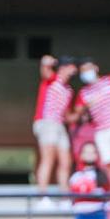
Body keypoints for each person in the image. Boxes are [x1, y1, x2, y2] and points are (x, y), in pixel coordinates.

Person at [33, 55, 77, 189]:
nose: (75, 69)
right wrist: (47, 62)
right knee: (48, 158)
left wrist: (84, 109)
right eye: (72, 66)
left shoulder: (69, 90)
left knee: (66, 162)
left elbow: (68, 116)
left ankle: (65, 197)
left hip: (59, 125)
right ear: (63, 68)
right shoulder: (52, 79)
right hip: (46, 122)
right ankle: (42, 197)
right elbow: (45, 69)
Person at [69, 141, 110, 219]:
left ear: (96, 155)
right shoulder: (75, 175)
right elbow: (73, 195)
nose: (89, 155)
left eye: (92, 152)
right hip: (81, 215)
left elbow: (107, 194)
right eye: (86, 152)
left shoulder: (101, 174)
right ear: (81, 154)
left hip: (98, 215)